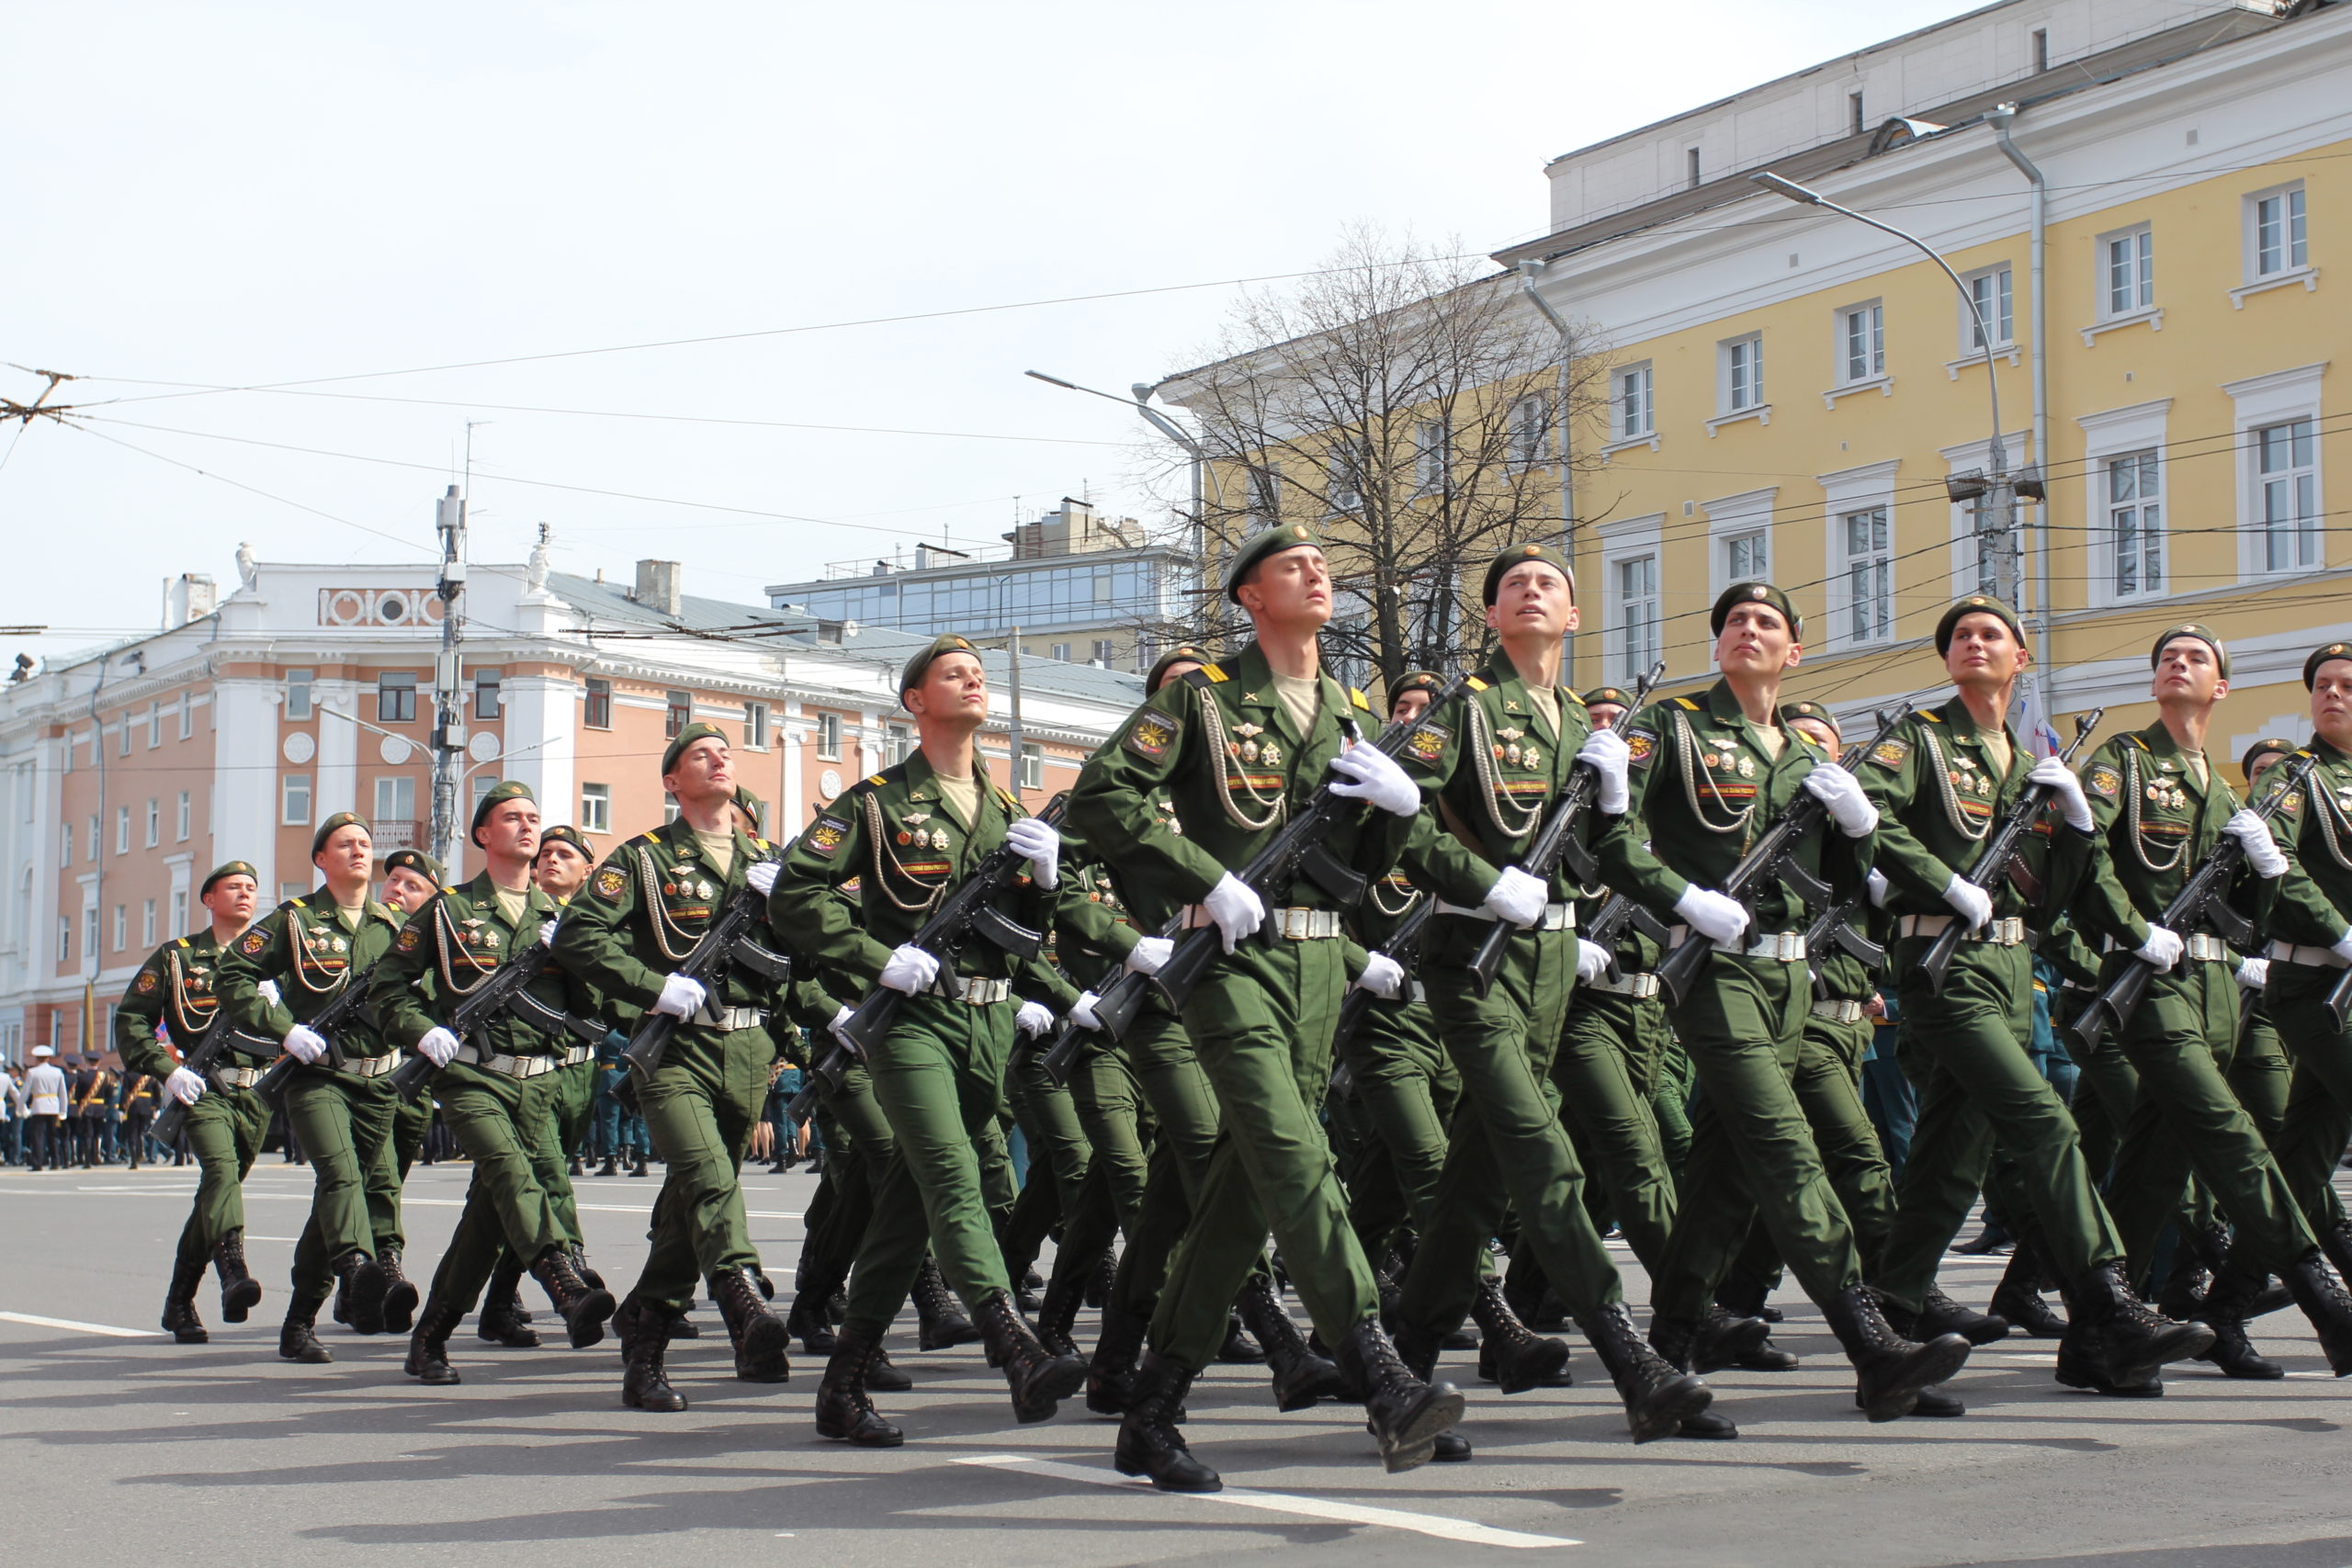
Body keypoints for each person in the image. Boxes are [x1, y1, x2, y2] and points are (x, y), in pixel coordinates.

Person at [1069, 525, 1463, 1491]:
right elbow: (1103, 797)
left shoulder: (1349, 710)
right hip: (1235, 960)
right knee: (1296, 1156)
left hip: (1322, 966)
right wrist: (1202, 874)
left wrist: (1401, 808)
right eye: (1293, 567)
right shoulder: (1200, 698)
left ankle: (1152, 1409)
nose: (1317, 574)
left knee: (1246, 1199)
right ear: (1249, 596)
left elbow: (1368, 872)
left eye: (1322, 566)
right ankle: (1378, 1371)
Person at [1612, 581, 1971, 1423]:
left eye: (1765, 622)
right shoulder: (1677, 728)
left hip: (1794, 977)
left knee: (1722, 1173)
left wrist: (1858, 829)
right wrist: (1679, 897)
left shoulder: (1810, 761)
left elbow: (1848, 892)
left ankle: (1663, 1365)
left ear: (1794, 650)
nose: (1747, 629)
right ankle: (1871, 1341)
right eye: (1733, 620)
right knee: (1784, 1147)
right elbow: (1613, 838)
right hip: (1716, 970)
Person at [1387, 543, 1711, 1446]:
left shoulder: (1579, 723)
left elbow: (1609, 852)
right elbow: (1398, 821)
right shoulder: (1463, 712)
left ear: (1574, 617)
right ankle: (1629, 1358)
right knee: (1539, 1149)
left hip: (1553, 969)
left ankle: (1402, 1374)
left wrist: (1676, 892)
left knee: (1474, 1178)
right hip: (1473, 960)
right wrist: (1483, 881)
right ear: (1490, 616)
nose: (1531, 593)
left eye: (1550, 587)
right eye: (1512, 587)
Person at [1860, 596, 2210, 1400]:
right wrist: (1944, 880)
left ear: (2021, 659)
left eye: (1992, 636)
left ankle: (1888, 1329)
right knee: (2047, 1123)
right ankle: (2110, 1305)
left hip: (2017, 972)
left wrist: (2079, 825)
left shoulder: (2027, 766)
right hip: (1943, 969)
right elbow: (1867, 816)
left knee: (1950, 1161)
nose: (1974, 644)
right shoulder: (1922, 739)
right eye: (1960, 637)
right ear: (1946, 657)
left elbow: (2050, 900)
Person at [775, 633, 1089, 1447]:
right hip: (912, 1020)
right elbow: (797, 892)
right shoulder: (878, 802)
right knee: (950, 1169)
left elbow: (1026, 934)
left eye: (978, 672)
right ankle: (1009, 1337)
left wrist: (1048, 884)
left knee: (909, 1208)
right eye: (953, 672)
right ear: (916, 701)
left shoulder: (1007, 812)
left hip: (988, 1023)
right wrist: (880, 959)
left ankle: (842, 1385)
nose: (973, 678)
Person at [2063, 625, 2352, 1389]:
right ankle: (2325, 1294)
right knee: (2227, 1132)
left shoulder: (2222, 787)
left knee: (2156, 1164)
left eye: (2195, 659)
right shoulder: (2126, 758)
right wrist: (2132, 930)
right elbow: (2086, 859)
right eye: (2167, 657)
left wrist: (2260, 870)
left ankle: (2096, 1336)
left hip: (2216, 986)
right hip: (2150, 981)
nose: (2178, 664)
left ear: (2222, 686)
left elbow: (2248, 903)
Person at [554, 723, 796, 1411]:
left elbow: (804, 956)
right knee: (706, 1176)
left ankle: (645, 1332)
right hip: (677, 1045)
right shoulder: (643, 858)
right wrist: (650, 984)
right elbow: (579, 935)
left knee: (695, 1198)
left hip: (749, 1051)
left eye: (726, 752)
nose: (719, 758)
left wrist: (792, 904)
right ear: (671, 781)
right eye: (700, 754)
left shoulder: (768, 859)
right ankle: (741, 1295)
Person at [376, 781, 616, 1384]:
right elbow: (386, 987)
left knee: (487, 1217)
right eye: (512, 817)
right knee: (511, 1171)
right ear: (485, 833)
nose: (528, 826)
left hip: (540, 1082)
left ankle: (430, 1335)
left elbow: (591, 1011)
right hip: (472, 1077)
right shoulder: (449, 909)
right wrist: (420, 1029)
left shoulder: (560, 917)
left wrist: (578, 954)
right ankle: (559, 1277)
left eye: (534, 817)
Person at [215, 813, 415, 1363]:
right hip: (318, 1076)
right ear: (320, 859)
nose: (357, 850)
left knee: (335, 1201)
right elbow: (230, 975)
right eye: (344, 844)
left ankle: (299, 1321)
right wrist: (284, 1028)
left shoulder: (394, 924)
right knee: (342, 1175)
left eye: (364, 844)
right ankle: (356, 1269)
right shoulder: (294, 920)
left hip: (379, 1083)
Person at [2230, 645, 2352, 1372]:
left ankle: (2225, 1304)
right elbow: (2275, 857)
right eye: (2323, 686)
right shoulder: (2292, 778)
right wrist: (2340, 932)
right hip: (2314, 988)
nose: (2333, 694)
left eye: (2346, 685)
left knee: (2302, 1162)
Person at [114, 863, 267, 1339]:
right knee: (220, 1175)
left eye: (251, 888)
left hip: (257, 1092)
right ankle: (233, 1271)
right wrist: (168, 1069)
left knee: (213, 1199)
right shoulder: (178, 958)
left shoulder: (273, 957)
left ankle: (178, 1301)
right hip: (202, 1087)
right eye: (233, 887)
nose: (244, 894)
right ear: (208, 899)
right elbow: (131, 1021)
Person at [23, 1045, 67, 1169]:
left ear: (36, 1059)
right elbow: (62, 1093)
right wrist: (63, 1110)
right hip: (53, 1106)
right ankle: (56, 1162)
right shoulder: (57, 1072)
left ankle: (38, 1163)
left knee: (38, 1136)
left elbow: (25, 1092)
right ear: (48, 1058)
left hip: (39, 1106)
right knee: (53, 1135)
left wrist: (22, 1107)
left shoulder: (33, 1072)